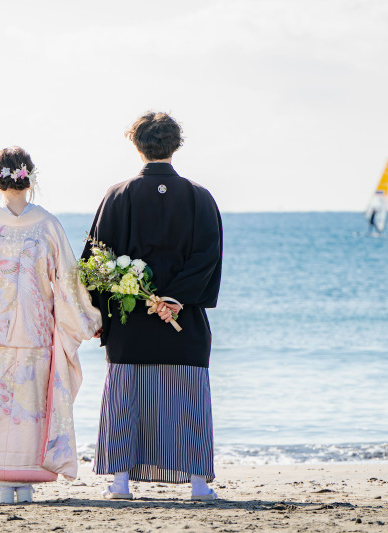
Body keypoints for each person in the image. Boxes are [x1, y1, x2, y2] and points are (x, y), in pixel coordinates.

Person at [83, 112, 223, 501]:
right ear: (175, 145)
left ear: (137, 145)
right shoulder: (199, 196)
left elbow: (97, 261)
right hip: (184, 317)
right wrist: (175, 298)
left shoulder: (117, 195)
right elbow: (207, 256)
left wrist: (98, 313)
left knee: (127, 397)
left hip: (130, 318)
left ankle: (120, 482)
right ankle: (198, 484)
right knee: (188, 398)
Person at [0, 146, 102, 505]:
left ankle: (1, 484)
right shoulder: (47, 223)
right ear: (30, 178)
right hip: (35, 327)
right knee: (29, 402)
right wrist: (87, 318)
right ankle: (26, 482)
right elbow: (67, 277)